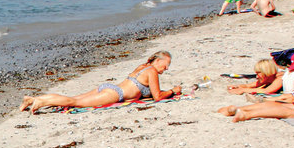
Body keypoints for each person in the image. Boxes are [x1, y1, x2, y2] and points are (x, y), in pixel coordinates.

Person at [20, 51, 183, 114]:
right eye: (166, 64)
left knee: (72, 99)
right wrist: (173, 91)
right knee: (74, 101)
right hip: (115, 94)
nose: (166, 68)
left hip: (110, 88)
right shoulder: (152, 71)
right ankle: (39, 102)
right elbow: (157, 96)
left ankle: (32, 99)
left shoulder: (144, 66)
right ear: (158, 61)